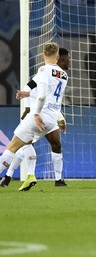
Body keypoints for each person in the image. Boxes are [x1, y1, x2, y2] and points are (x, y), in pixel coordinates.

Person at [0, 42, 69, 191]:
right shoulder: (64, 75)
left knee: (12, 147)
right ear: (57, 57)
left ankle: (11, 175)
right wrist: (28, 93)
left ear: (42, 55)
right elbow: (48, 95)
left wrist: (35, 113)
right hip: (52, 119)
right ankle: (17, 176)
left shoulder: (43, 69)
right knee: (25, 144)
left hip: (40, 115)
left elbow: (43, 95)